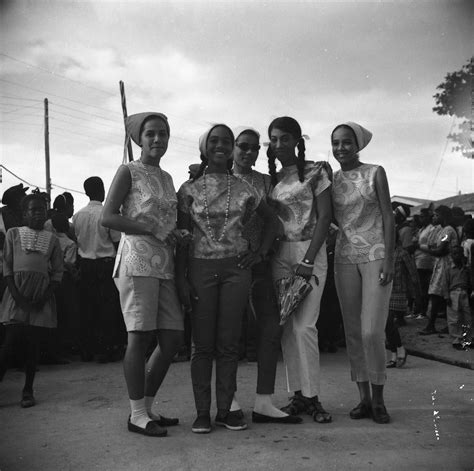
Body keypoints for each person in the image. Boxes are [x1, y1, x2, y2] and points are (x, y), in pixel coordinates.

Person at [176, 123, 278, 433]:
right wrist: (181, 278)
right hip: (199, 268)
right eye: (215, 141)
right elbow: (182, 236)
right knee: (202, 343)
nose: (221, 145)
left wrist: (259, 253)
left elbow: (274, 223)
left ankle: (225, 410)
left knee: (229, 343)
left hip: (237, 269)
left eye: (226, 141)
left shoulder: (246, 189)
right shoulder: (188, 190)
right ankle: (202, 413)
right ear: (205, 146)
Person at [102, 112, 186, 437]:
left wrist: (176, 234)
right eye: (150, 134)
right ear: (139, 138)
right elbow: (107, 218)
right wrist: (152, 227)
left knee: (173, 338)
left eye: (163, 134)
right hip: (137, 262)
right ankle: (137, 414)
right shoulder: (128, 170)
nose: (157, 140)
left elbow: (168, 224)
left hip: (164, 264)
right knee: (138, 336)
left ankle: (147, 407)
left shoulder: (167, 178)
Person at [266, 116, 333, 424]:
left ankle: (313, 396)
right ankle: (297, 396)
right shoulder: (273, 179)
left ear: (297, 140)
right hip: (280, 255)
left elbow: (324, 217)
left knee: (305, 326)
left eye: (284, 138)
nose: (279, 145)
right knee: (288, 328)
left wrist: (308, 259)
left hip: (310, 252)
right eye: (274, 140)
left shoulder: (317, 171)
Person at [232, 126, 300, 424]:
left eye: (253, 148)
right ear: (233, 148)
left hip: (259, 265)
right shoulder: (212, 178)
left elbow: (274, 221)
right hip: (225, 266)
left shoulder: (264, 181)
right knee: (230, 333)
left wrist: (260, 252)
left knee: (271, 329)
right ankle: (229, 400)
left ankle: (263, 402)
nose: (248, 152)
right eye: (242, 146)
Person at [331, 121, 395, 424]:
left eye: (346, 142)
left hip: (376, 255)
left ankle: (380, 400)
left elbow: (387, 216)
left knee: (372, 331)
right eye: (336, 143)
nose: (341, 148)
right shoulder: (331, 179)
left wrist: (390, 259)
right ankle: (363, 399)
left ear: (358, 144)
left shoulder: (375, 172)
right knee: (353, 332)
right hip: (344, 258)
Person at [0, 193, 63, 407]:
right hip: (17, 294)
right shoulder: (13, 234)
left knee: (33, 345)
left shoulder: (52, 239)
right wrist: (17, 296)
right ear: (24, 214)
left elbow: (57, 273)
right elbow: (7, 267)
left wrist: (44, 297)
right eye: (33, 210)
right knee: (9, 343)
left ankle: (28, 390)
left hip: (40, 297)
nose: (38, 214)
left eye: (42, 210)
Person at [72, 176, 124, 363]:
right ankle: (107, 349)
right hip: (106, 264)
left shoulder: (78, 216)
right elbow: (117, 243)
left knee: (88, 307)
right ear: (101, 190)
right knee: (108, 308)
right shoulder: (107, 214)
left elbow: (77, 241)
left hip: (86, 265)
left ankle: (88, 349)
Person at [418, 205, 458, 335]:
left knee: (436, 294)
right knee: (443, 295)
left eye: (436, 215)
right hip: (442, 265)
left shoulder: (448, 231)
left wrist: (421, 248)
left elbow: (440, 250)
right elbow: (436, 245)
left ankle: (431, 325)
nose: (434, 217)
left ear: (443, 216)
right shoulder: (443, 230)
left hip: (446, 265)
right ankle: (449, 324)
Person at [385, 231, 421, 368]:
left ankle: (399, 349)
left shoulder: (402, 253)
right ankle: (395, 354)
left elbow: (413, 274)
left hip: (399, 292)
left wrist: (417, 297)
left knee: (389, 322)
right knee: (387, 325)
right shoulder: (384, 253)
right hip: (386, 291)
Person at [444, 245, 472, 349]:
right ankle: (456, 339)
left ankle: (468, 339)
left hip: (464, 293)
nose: (456, 256)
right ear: (451, 255)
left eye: (459, 253)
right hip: (453, 294)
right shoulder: (449, 269)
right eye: (454, 253)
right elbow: (445, 283)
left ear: (462, 255)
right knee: (454, 317)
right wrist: (446, 296)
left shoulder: (466, 269)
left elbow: (469, 282)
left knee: (467, 316)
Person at [413, 208, 438, 319]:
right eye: (420, 216)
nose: (420, 218)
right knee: (419, 287)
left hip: (426, 261)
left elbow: (433, 246)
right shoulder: (422, 229)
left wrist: (419, 246)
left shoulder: (431, 229)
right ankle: (418, 310)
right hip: (418, 259)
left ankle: (423, 311)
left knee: (424, 287)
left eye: (423, 216)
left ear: (428, 217)